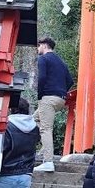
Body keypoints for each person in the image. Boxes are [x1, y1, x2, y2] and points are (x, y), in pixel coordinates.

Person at [34, 37, 73, 173]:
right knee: (34, 119)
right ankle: (44, 150)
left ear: (44, 45)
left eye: (39, 46)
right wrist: (60, 91)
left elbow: (42, 77)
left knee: (45, 128)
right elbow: (70, 80)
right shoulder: (61, 62)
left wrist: (40, 95)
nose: (38, 49)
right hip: (60, 99)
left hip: (48, 98)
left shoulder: (43, 59)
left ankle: (48, 161)